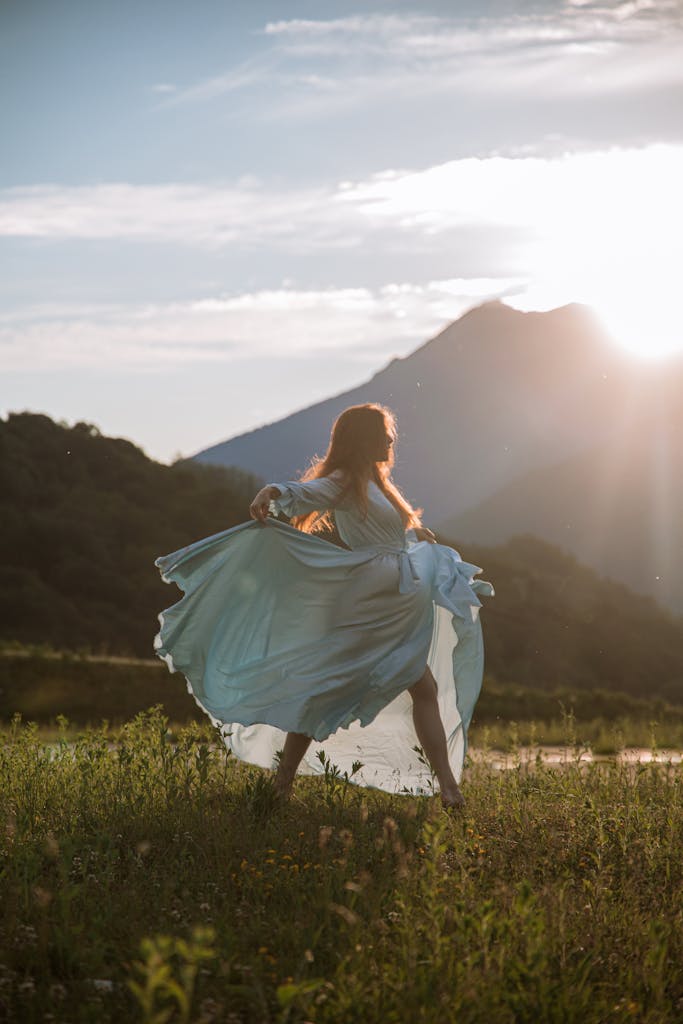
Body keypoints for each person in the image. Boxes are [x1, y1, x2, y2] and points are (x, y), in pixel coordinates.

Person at [155, 403, 492, 809]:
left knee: (416, 686)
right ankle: (287, 785)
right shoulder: (346, 480)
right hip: (370, 604)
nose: (391, 440)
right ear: (363, 438)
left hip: (393, 602)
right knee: (334, 688)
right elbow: (309, 493)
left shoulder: (378, 483)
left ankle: (446, 788)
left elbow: (387, 532)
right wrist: (274, 492)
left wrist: (415, 535)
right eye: (384, 433)